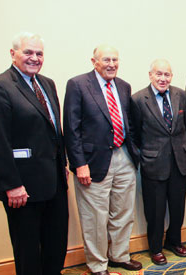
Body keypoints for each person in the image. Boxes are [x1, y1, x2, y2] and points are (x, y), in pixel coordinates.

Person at [0, 32, 68, 275]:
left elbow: (55, 131)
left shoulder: (47, 83)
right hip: (22, 189)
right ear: (13, 54)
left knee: (55, 246)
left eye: (39, 54)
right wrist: (12, 185)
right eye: (28, 52)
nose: (34, 58)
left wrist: (64, 167)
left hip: (55, 183)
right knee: (28, 252)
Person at [63, 45, 141, 275]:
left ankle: (119, 255)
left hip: (123, 156)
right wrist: (79, 164)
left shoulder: (124, 86)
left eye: (115, 59)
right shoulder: (78, 85)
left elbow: (130, 122)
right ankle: (97, 265)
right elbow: (71, 128)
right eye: (106, 59)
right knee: (95, 217)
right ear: (94, 61)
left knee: (123, 212)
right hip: (92, 162)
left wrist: (134, 151)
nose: (111, 64)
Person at [130, 59, 186, 265]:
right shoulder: (138, 99)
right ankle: (155, 248)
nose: (163, 78)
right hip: (153, 164)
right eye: (159, 74)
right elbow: (133, 134)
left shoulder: (180, 95)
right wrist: (143, 157)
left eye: (167, 75)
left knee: (177, 207)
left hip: (180, 162)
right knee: (155, 211)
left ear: (171, 76)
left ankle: (174, 241)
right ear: (150, 75)